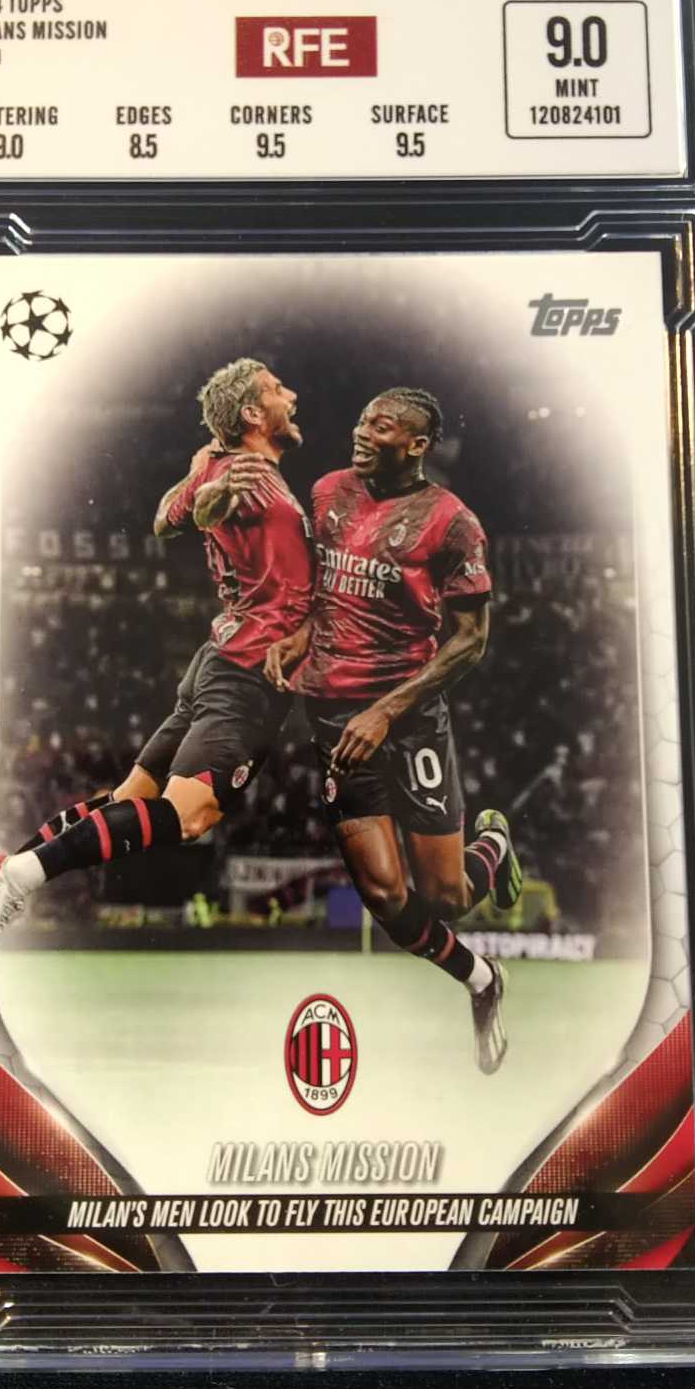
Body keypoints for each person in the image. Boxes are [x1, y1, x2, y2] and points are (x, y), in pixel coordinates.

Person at [0, 358, 311, 948]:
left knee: (129, 800)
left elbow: (166, 518)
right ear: (251, 413)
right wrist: (214, 494)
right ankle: (23, 873)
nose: (291, 394)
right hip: (247, 672)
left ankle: (11, 870)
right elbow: (202, 509)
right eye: (276, 388)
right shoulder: (241, 475)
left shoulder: (217, 460)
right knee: (191, 814)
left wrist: (200, 480)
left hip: (222, 659)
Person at [265, 388, 524, 1073]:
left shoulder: (452, 523)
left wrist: (386, 711)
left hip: (407, 720)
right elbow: (321, 594)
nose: (361, 432)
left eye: (380, 427)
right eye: (360, 419)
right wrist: (299, 638)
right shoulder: (327, 493)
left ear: (416, 445)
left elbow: (471, 639)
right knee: (384, 897)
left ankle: (493, 843)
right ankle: (481, 979)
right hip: (332, 716)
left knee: (446, 898)